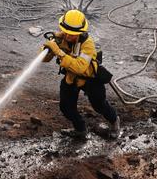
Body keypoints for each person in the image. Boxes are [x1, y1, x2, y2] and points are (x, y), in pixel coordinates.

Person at [42, 9, 120, 139]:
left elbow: (80, 67)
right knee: (66, 107)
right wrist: (49, 49)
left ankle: (114, 122)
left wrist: (59, 52)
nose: (68, 36)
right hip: (71, 78)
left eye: (72, 34)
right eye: (66, 33)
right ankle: (80, 130)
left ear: (81, 32)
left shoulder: (88, 44)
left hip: (90, 79)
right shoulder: (61, 38)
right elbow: (43, 59)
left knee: (99, 105)